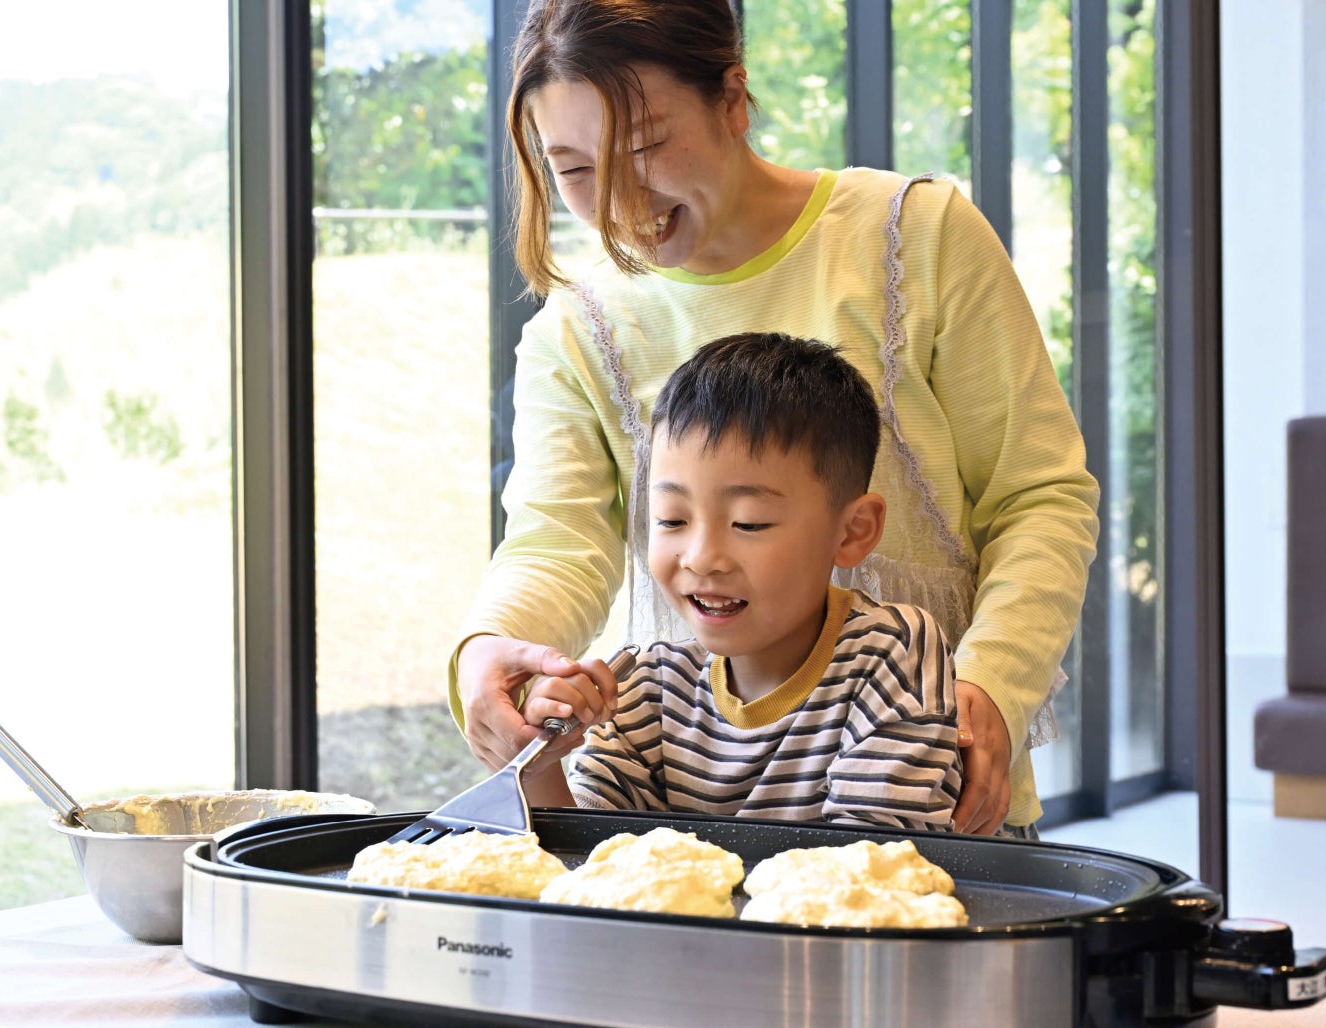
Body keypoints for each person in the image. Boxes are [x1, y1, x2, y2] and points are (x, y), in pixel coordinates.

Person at [452, 0, 1098, 837]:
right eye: (573, 170)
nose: (616, 201)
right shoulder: (578, 331)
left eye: (645, 148)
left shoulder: (915, 236)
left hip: (933, 796)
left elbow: (1039, 495)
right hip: (684, 819)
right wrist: (492, 648)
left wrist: (991, 688)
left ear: (733, 98)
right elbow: (555, 542)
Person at [519, 333, 961, 829]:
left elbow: (871, 868)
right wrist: (539, 762)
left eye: (749, 522)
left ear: (853, 530)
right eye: (671, 519)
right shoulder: (645, 690)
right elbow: (592, 862)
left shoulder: (893, 653)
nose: (702, 558)